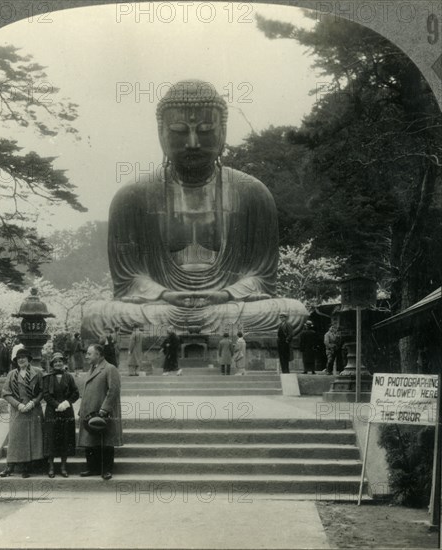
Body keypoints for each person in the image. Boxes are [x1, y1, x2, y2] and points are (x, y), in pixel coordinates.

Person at [81, 79, 307, 340]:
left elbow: (261, 277)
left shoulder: (252, 192)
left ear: (222, 131)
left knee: (293, 313)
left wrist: (224, 294)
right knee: (96, 315)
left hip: (227, 305)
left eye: (205, 130)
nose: (192, 142)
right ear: (161, 133)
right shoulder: (132, 197)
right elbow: (128, 279)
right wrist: (165, 294)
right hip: (162, 306)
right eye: (178, 131)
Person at [78, 344, 123, 480]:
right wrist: (82, 408)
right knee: (91, 441)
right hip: (89, 411)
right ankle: (92, 468)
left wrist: (105, 409)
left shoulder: (110, 368)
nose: (86, 356)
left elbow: (114, 390)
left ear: (98, 355)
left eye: (89, 354)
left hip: (103, 412)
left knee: (105, 441)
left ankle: (106, 470)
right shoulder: (91, 369)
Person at [0, 348, 44, 478]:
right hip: (18, 410)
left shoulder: (38, 373)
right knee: (16, 438)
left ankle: (27, 466)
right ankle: (10, 466)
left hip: (33, 410)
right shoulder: (12, 374)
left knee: (31, 437)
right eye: (19, 358)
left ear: (29, 359)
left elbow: (42, 391)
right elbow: (5, 393)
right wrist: (18, 404)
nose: (21, 360)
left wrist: (33, 402)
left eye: (24, 357)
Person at [43, 352, 80, 478]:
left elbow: (75, 393)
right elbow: (46, 394)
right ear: (52, 364)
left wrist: (66, 403)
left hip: (66, 411)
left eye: (60, 361)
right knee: (52, 437)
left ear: (63, 363)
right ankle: (51, 466)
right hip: (52, 412)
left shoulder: (69, 377)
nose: (58, 363)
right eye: (55, 362)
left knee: (66, 437)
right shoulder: (47, 377)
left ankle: (64, 466)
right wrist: (56, 405)